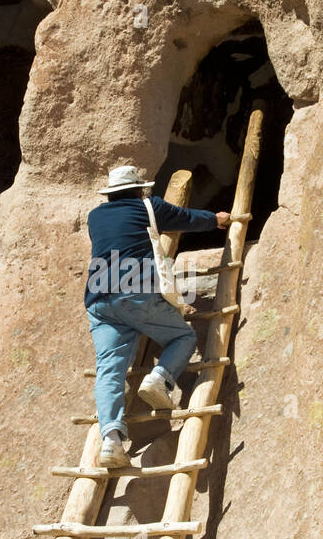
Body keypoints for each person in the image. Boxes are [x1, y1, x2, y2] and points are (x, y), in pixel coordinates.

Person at [85, 165, 231, 468]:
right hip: (135, 289)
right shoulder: (150, 206)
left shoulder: (95, 216)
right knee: (182, 336)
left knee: (109, 371)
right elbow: (186, 219)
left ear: (111, 194)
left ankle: (110, 441)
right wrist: (216, 220)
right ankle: (160, 379)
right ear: (140, 189)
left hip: (99, 297)